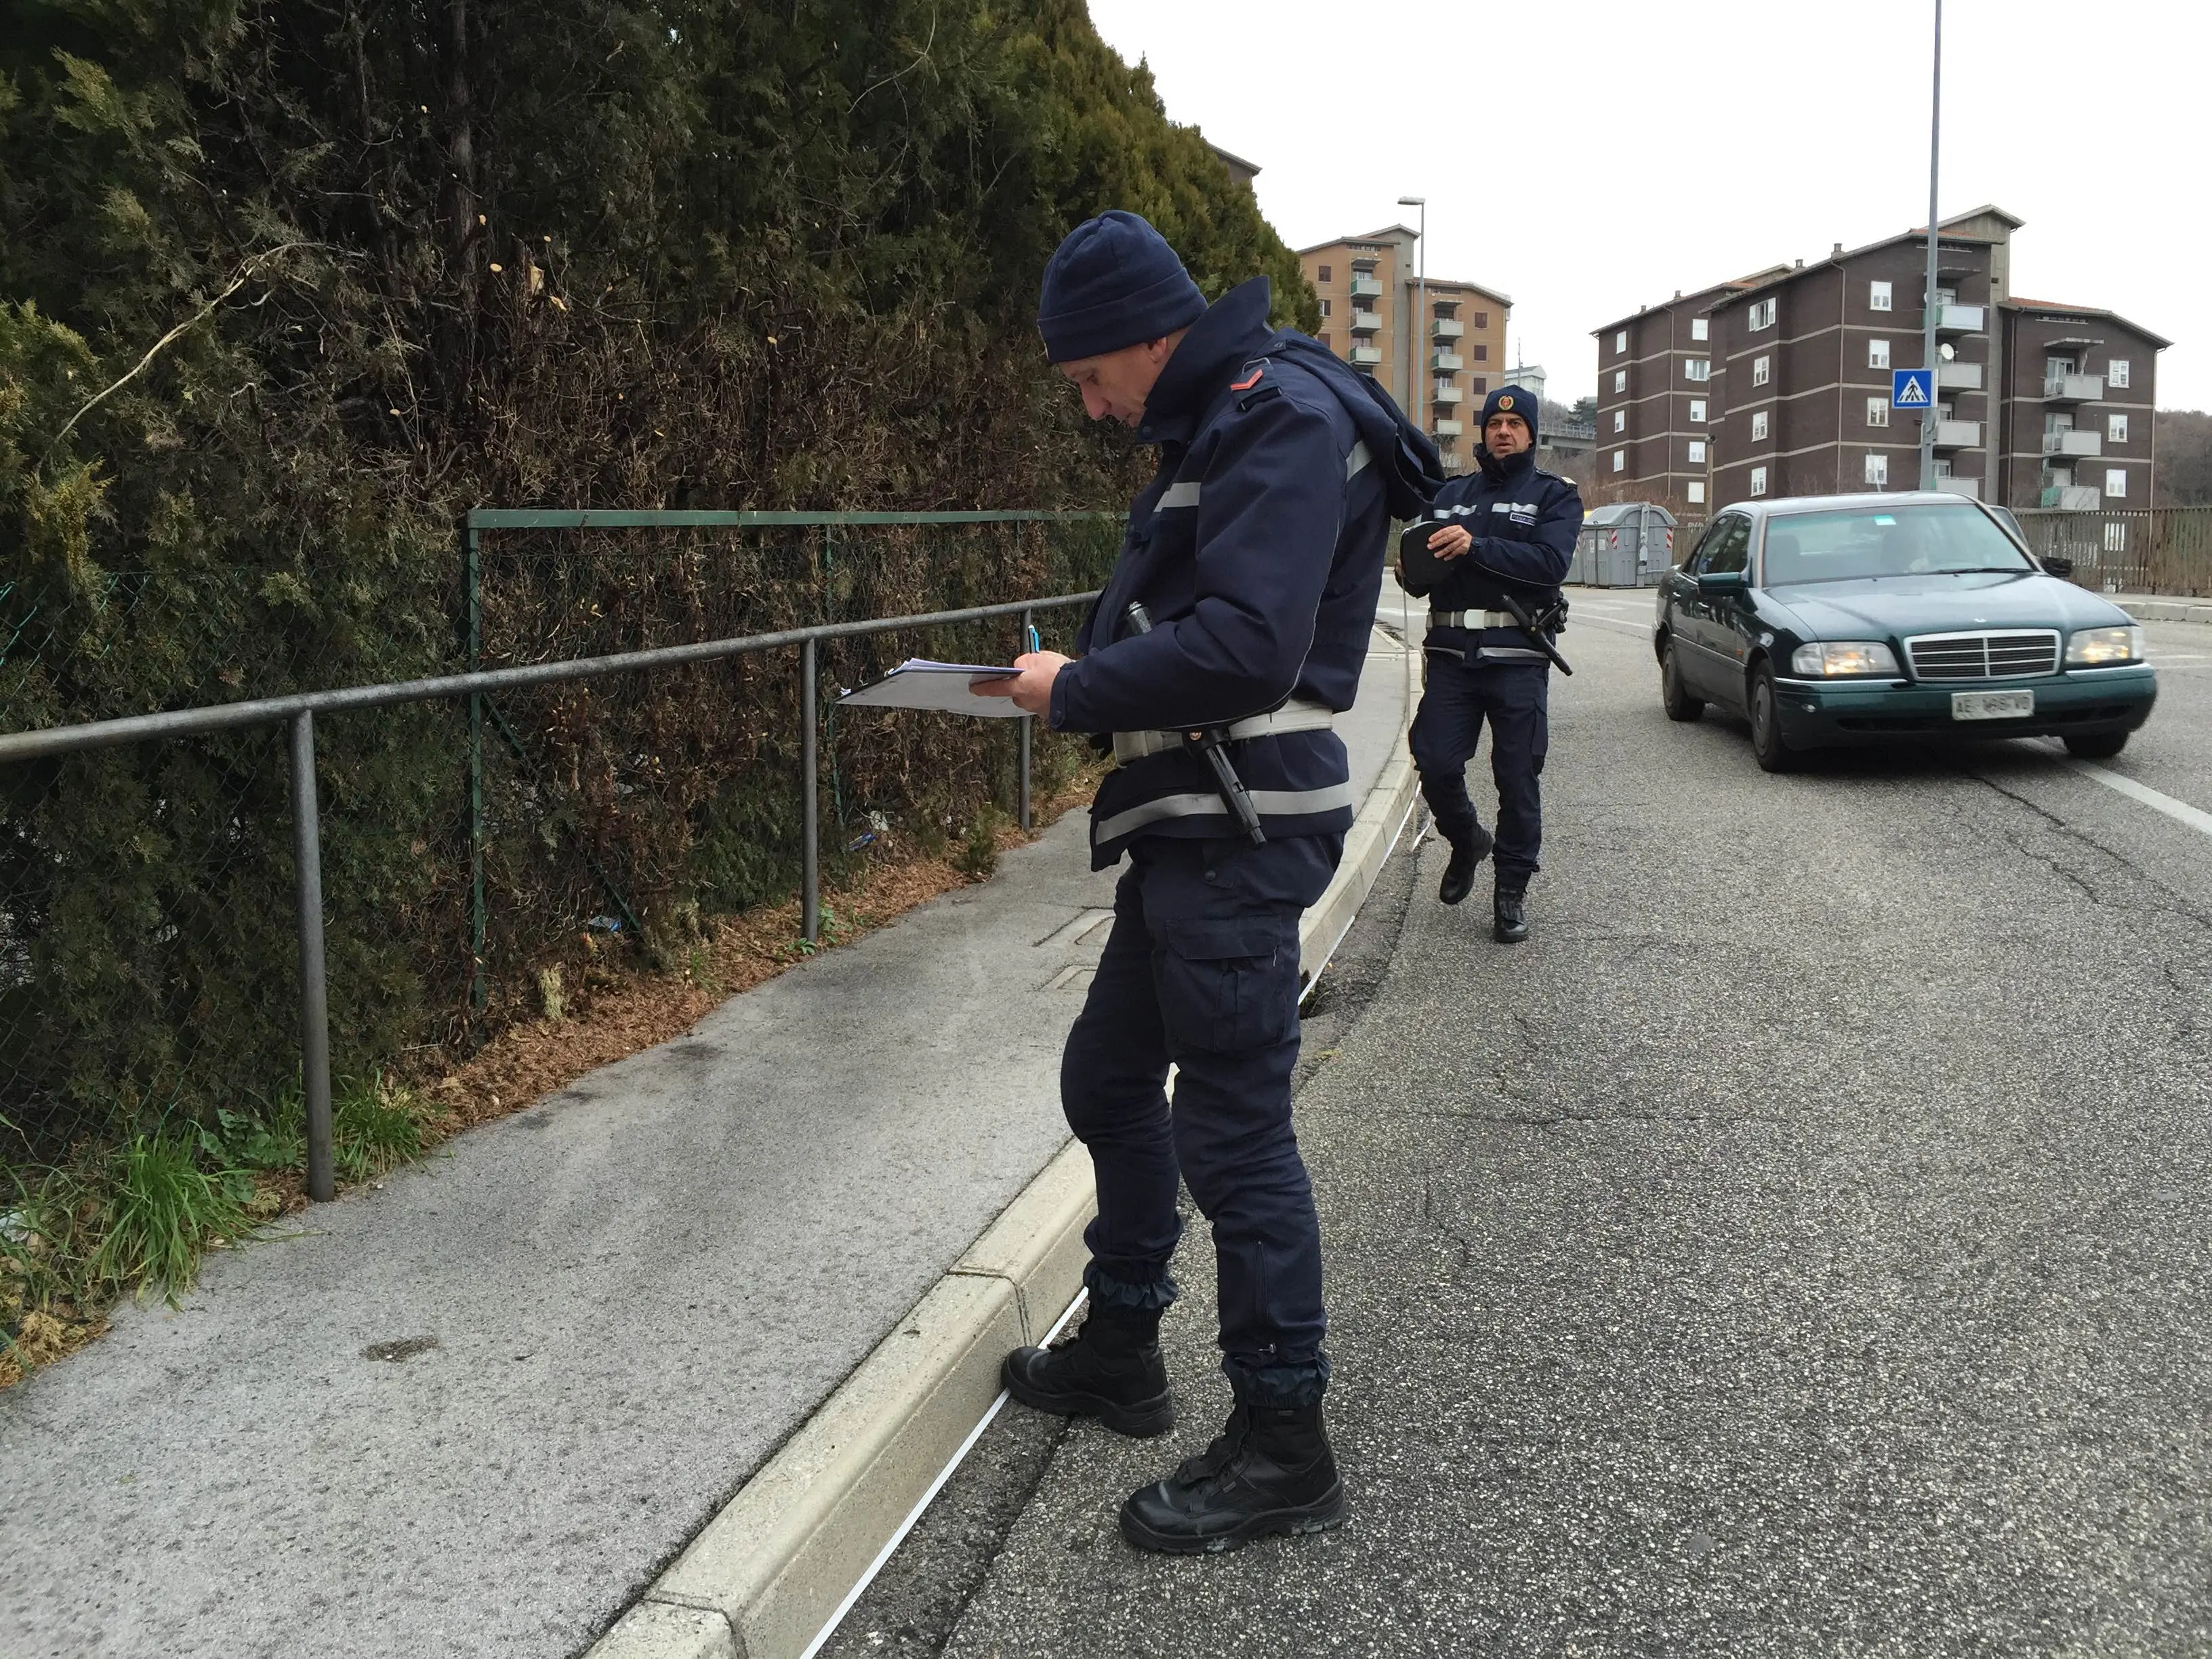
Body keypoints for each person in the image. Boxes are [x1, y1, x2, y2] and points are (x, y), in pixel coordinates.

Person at [975, 210, 1439, 1554]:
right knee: (1109, 1082)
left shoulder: (1278, 418)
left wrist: (1078, 689)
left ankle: (1286, 1441)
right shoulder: (1220, 422)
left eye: (1085, 375)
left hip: (1236, 832)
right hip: (1191, 822)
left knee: (1232, 1133)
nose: (1085, 402)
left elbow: (1243, 645)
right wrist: (1075, 681)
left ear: (1141, 334)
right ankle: (1124, 1349)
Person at [1399, 386, 1582, 943]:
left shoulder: (1555, 496)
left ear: (1531, 433)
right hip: (1453, 656)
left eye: (1516, 425)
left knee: (1517, 775)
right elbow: (1416, 566)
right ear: (1483, 432)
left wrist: (1476, 547)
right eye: (1495, 425)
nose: (1504, 432)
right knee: (1433, 759)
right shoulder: (1451, 494)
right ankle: (1467, 839)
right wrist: (1413, 570)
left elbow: (1551, 562)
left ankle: (1511, 888)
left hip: (1516, 659)